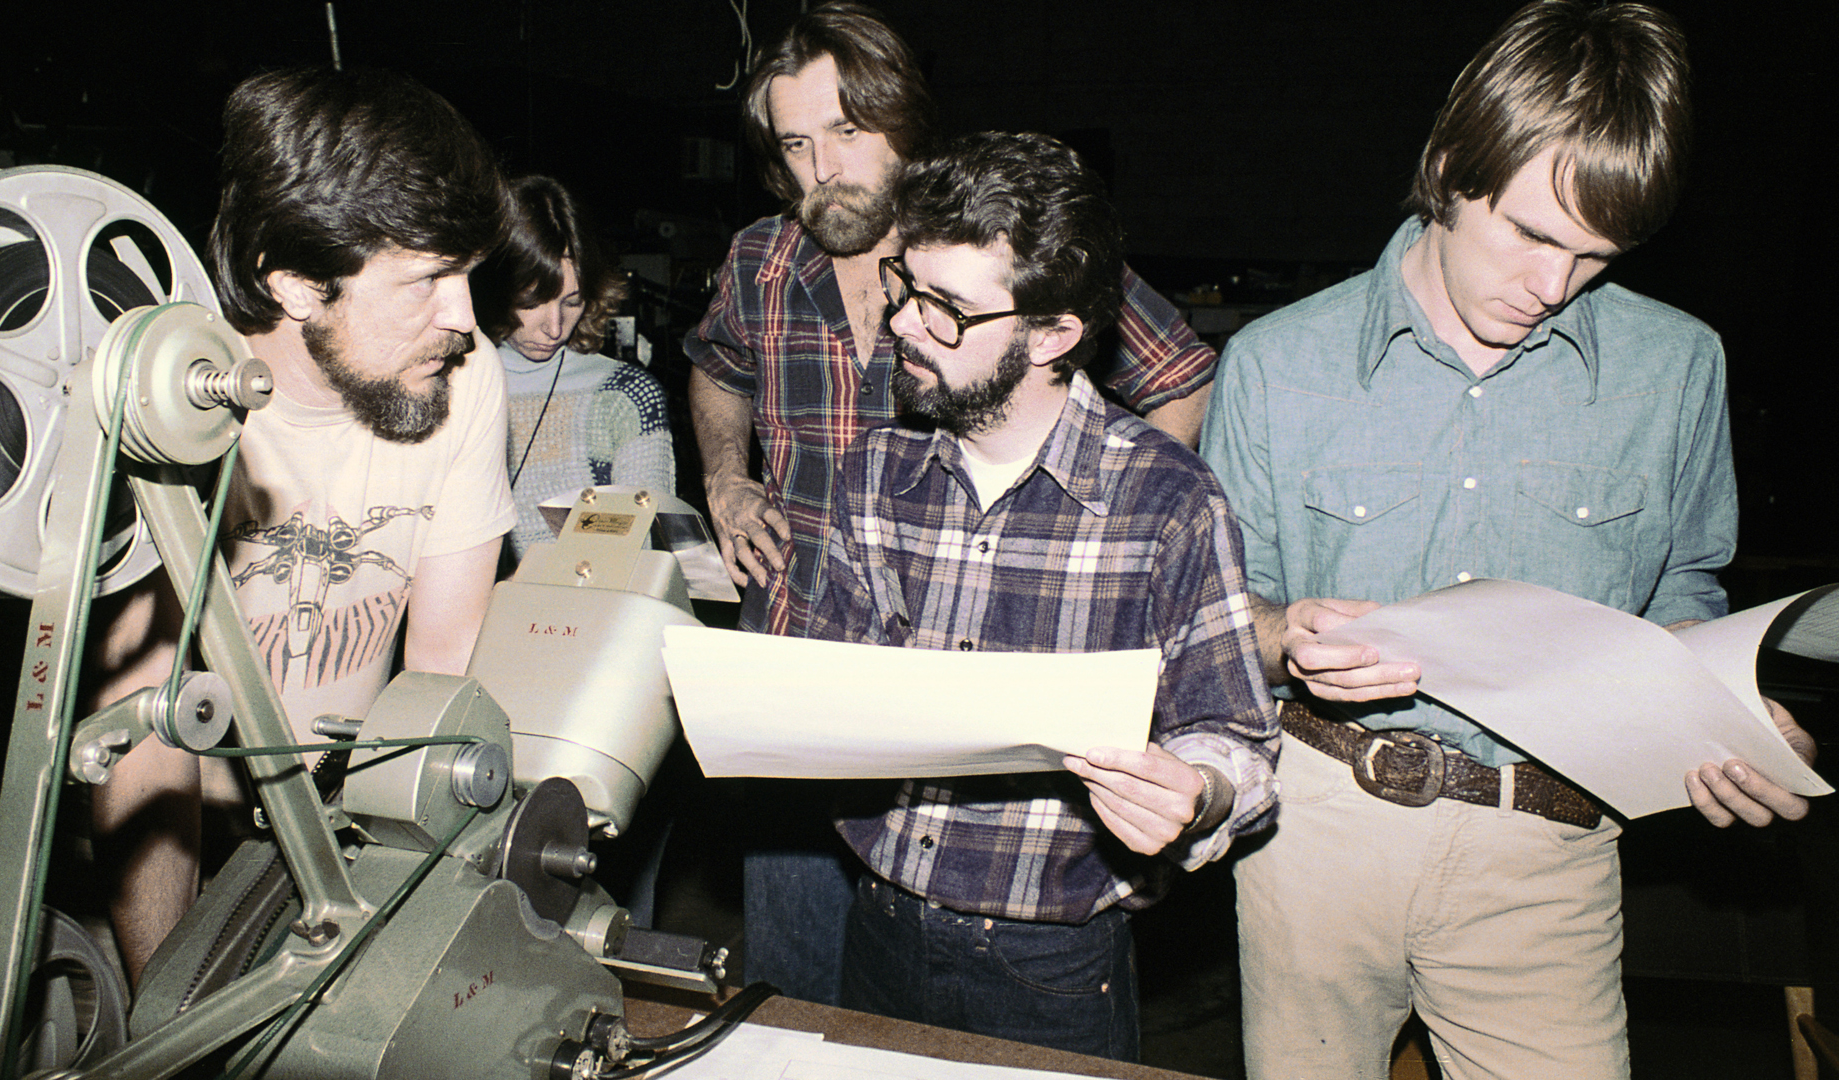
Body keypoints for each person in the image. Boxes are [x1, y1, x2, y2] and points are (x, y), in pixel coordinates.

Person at [1196, 4, 1818, 1077]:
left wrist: (1737, 718)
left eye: (1595, 257)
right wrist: (1284, 632)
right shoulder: (1273, 364)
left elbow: (1686, 583)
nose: (1552, 289)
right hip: (1318, 837)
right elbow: (1213, 617)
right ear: (1448, 170)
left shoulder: (1676, 367)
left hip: (1550, 845)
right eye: (1532, 235)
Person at [684, 0, 1217, 1004]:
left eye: (846, 132)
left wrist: (1102, 543)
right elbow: (715, 372)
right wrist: (726, 474)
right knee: (794, 1007)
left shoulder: (997, 250)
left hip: (970, 716)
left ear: (904, 124)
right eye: (794, 142)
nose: (821, 169)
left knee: (965, 1021)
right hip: (803, 685)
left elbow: (1181, 374)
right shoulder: (760, 262)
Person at [806, 131, 1277, 1059]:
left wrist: (1199, 791)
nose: (902, 322)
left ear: (1055, 334)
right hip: (877, 921)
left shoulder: (1166, 500)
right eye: (907, 285)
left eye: (947, 310)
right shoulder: (874, 471)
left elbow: (1241, 741)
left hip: (1052, 963)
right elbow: (832, 688)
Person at [90, 66, 514, 986]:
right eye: (431, 279)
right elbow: (143, 733)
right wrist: (171, 1000)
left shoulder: (465, 382)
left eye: (470, 275)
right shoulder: (170, 409)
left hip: (356, 814)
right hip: (187, 828)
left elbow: (440, 676)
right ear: (293, 284)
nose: (468, 321)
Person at [473, 175, 674, 564]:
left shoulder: (625, 396)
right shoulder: (447, 386)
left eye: (572, 301)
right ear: (493, 289)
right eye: (532, 301)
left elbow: (642, 553)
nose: (554, 327)